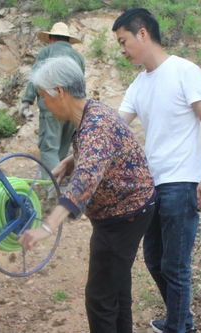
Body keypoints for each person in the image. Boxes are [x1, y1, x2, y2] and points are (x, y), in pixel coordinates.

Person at [19, 56, 156, 333]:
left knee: (100, 299)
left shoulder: (96, 126)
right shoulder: (93, 114)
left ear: (60, 92)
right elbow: (98, 155)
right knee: (115, 291)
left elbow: (84, 181)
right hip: (128, 211)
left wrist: (47, 227)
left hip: (123, 216)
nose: (43, 104)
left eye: (44, 96)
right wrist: (71, 159)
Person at [112, 8, 201, 333]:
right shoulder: (138, 84)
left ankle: (177, 328)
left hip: (182, 184)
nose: (122, 49)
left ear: (142, 33)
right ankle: (182, 321)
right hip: (151, 186)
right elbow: (116, 128)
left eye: (123, 41)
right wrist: (82, 153)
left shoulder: (184, 71)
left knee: (175, 266)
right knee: (154, 260)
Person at [19, 22, 85, 175]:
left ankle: (53, 190)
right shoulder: (78, 57)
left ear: (51, 38)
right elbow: (80, 83)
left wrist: (26, 101)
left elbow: (35, 78)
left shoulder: (46, 52)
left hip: (52, 105)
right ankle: (55, 184)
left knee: (49, 148)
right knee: (62, 148)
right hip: (73, 107)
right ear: (68, 40)